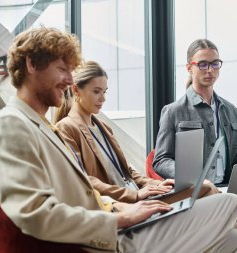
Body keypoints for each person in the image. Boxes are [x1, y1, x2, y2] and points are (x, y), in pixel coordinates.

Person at [0, 27, 237, 253]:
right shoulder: (13, 124)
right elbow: (34, 213)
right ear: (32, 64)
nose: (69, 81)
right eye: (62, 69)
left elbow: (81, 193)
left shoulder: (43, 126)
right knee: (230, 202)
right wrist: (119, 219)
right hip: (110, 240)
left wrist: (122, 208)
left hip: (120, 221)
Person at [153, 38, 237, 253]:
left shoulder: (230, 110)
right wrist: (193, 178)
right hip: (199, 190)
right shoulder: (174, 111)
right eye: (203, 64)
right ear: (189, 67)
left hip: (230, 187)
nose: (210, 70)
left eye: (215, 63)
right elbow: (160, 160)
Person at [54, 60, 218, 204]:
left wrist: (155, 184)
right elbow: (83, 180)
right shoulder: (67, 128)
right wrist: (134, 195)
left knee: (209, 190)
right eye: (96, 91)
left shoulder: (103, 127)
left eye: (104, 92)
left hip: (137, 195)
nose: (103, 99)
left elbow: (127, 171)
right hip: (124, 203)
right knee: (207, 189)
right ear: (76, 90)